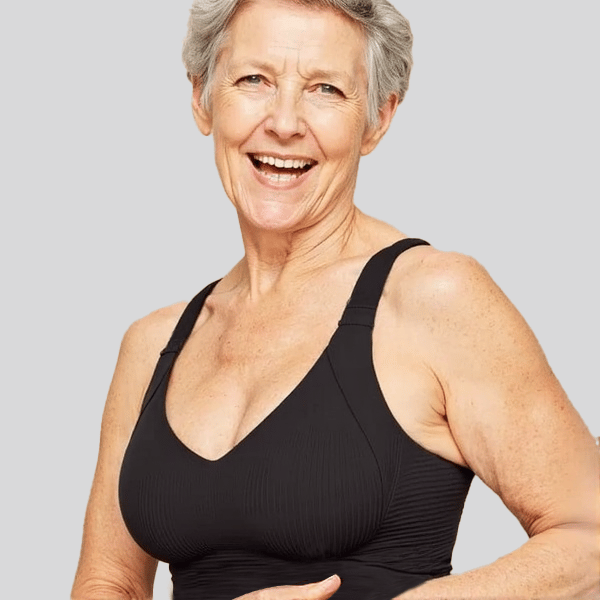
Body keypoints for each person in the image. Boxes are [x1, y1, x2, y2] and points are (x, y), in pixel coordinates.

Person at [71, 0, 599, 598]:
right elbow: (108, 582)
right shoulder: (152, 346)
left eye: (325, 89)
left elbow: (590, 540)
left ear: (378, 119)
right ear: (201, 96)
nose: (285, 122)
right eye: (254, 80)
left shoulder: (434, 299)